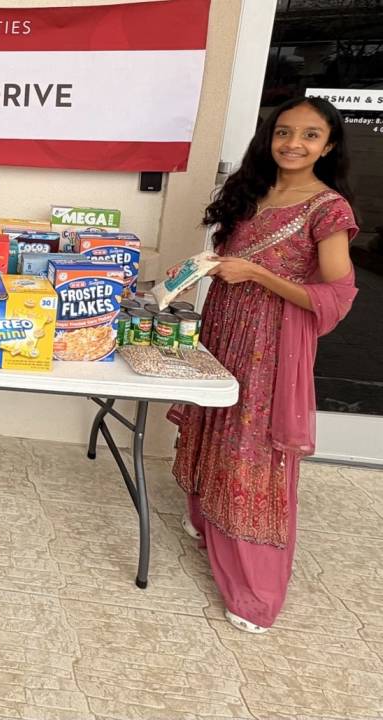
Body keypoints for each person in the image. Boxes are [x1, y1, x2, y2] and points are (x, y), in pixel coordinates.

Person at [170, 96, 358, 633]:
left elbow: (338, 292)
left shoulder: (328, 209)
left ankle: (255, 590)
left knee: (250, 449)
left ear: (329, 145)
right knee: (215, 425)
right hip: (225, 327)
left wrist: (255, 275)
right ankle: (208, 522)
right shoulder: (253, 191)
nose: (293, 144)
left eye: (310, 135)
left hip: (270, 345)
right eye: (283, 132)